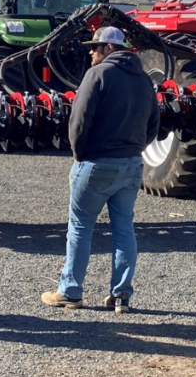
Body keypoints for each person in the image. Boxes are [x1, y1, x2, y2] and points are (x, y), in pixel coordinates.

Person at [41, 26, 159, 314]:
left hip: (96, 163)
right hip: (131, 164)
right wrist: (134, 149)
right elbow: (154, 125)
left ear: (110, 49)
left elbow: (79, 122)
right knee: (124, 229)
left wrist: (79, 155)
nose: (91, 51)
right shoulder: (144, 80)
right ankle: (121, 295)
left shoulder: (97, 75)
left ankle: (70, 291)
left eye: (95, 47)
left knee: (80, 227)